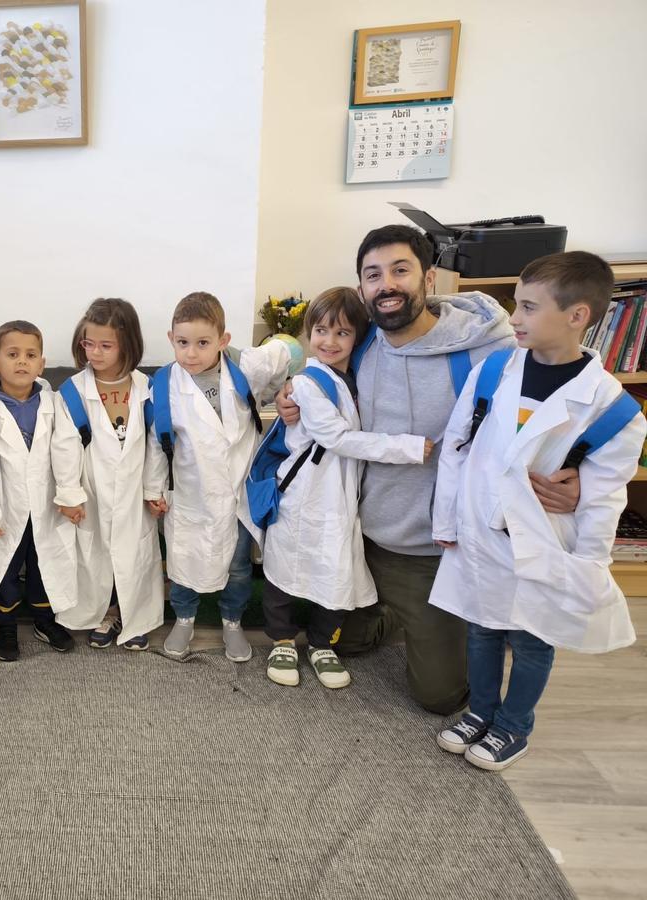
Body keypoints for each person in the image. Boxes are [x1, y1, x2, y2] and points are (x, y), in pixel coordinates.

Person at [276, 224, 527, 713]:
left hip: (430, 549)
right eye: (373, 275)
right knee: (339, 643)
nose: (386, 284)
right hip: (362, 535)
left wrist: (572, 472)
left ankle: (450, 618)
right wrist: (292, 395)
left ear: (427, 279)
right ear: (362, 287)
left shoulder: (485, 350)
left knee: (441, 697)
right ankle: (397, 614)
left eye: (400, 270)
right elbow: (319, 379)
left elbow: (544, 410)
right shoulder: (363, 342)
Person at [432, 251, 643, 770]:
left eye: (527, 308)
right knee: (481, 627)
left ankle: (513, 726)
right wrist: (446, 520)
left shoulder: (612, 407)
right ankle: (481, 711)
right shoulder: (493, 372)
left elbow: (603, 496)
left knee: (530, 637)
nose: (516, 319)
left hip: (545, 542)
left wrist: (590, 563)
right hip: (480, 529)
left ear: (577, 317)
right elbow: (456, 449)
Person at [259, 287, 431, 689]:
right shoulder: (306, 384)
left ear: (359, 336)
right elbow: (337, 438)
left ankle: (322, 644)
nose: (329, 342)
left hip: (341, 500)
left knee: (335, 571)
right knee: (284, 567)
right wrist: (406, 447)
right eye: (320, 330)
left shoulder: (357, 378)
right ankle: (282, 640)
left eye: (341, 333)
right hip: (303, 495)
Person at [146, 291, 294, 662]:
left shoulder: (245, 369)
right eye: (182, 343)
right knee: (184, 561)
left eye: (202, 343)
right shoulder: (163, 385)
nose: (191, 353)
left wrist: (289, 386)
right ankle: (184, 617)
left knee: (239, 566)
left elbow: (287, 352)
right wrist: (154, 488)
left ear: (223, 341)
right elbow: (156, 442)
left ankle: (232, 621)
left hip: (237, 493)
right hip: (191, 492)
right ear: (171, 339)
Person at [0, 320, 85, 661]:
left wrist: (70, 496)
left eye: (31, 355)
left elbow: (67, 447)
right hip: (6, 505)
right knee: (5, 566)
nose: (22, 362)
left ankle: (45, 620)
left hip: (47, 504)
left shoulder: (52, 402)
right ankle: (6, 625)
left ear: (41, 363)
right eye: (13, 354)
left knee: (46, 562)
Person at [53, 298, 165, 650]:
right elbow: (64, 446)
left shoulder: (147, 389)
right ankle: (105, 611)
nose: (95, 353)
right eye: (89, 343)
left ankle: (135, 615)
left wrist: (154, 489)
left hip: (134, 491)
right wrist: (70, 494)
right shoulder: (72, 391)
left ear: (127, 344)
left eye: (105, 345)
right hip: (92, 489)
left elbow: (156, 444)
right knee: (96, 556)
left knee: (134, 555)